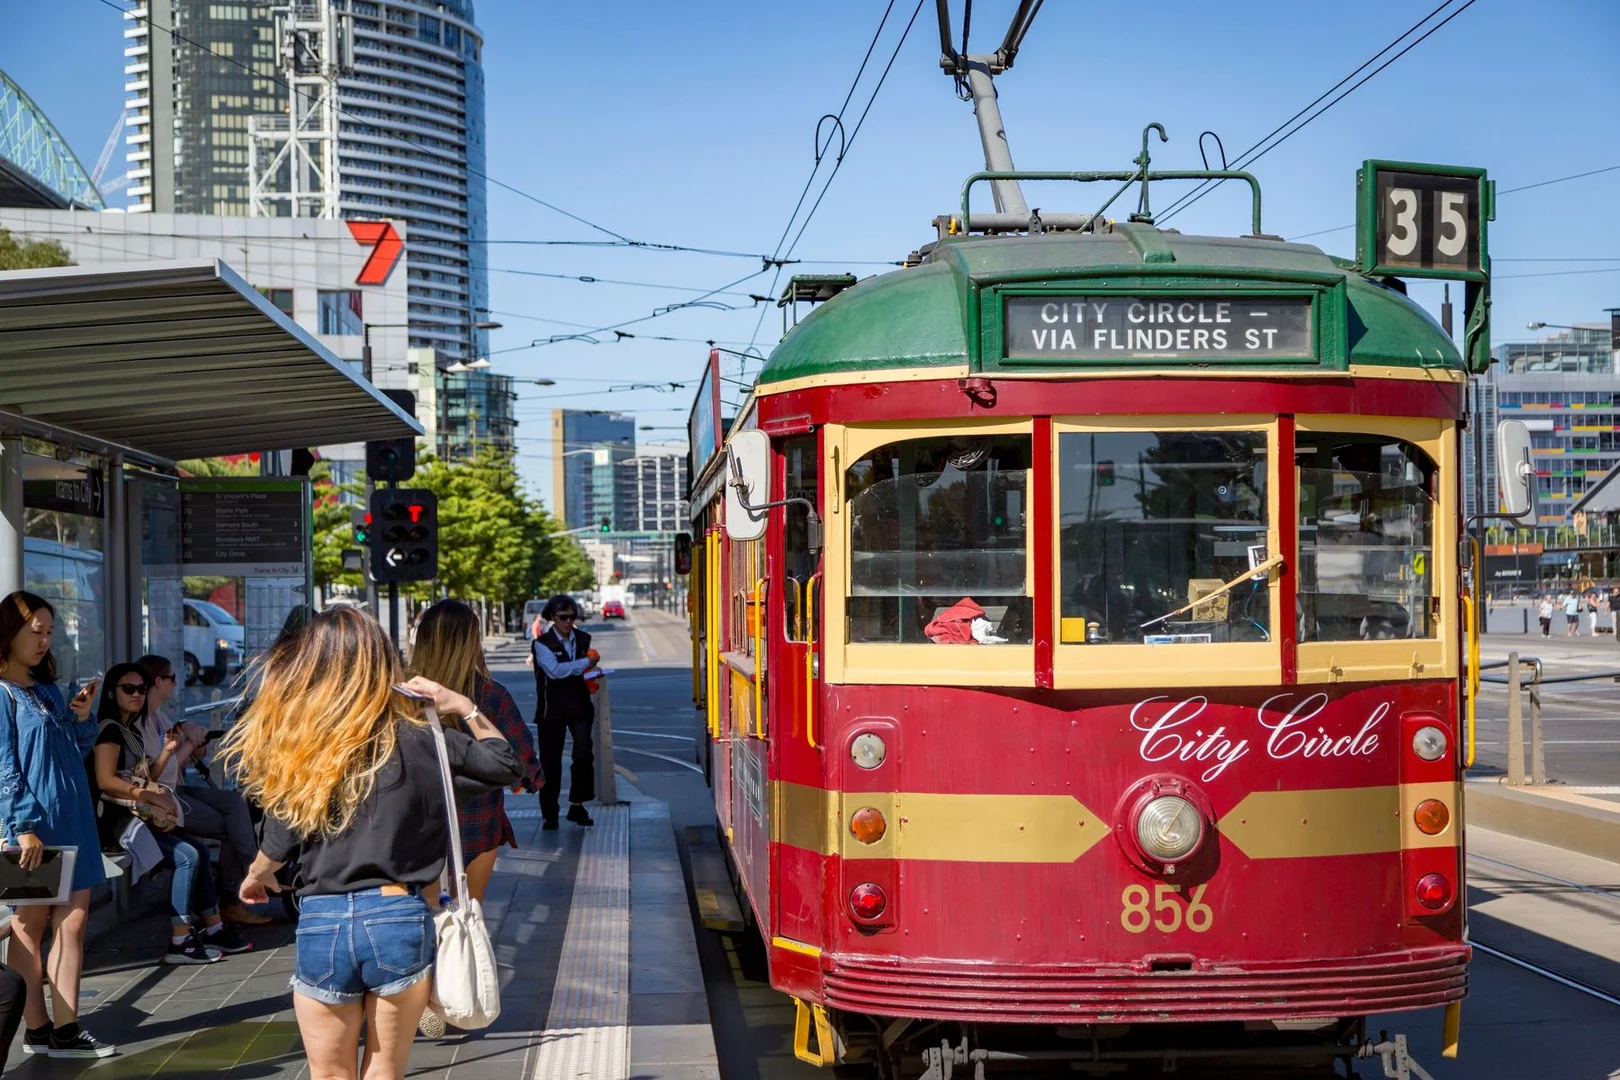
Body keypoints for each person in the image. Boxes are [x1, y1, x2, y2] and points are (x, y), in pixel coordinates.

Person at [224, 607, 521, 1080]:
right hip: (399, 917)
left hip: (322, 919)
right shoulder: (424, 738)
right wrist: (461, 704)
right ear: (385, 662)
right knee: (384, 1068)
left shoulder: (305, 744)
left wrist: (257, 876)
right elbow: (505, 763)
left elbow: (281, 831)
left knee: (328, 1072)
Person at [0, 591, 115, 1058]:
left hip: (74, 817)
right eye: (35, 631)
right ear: (10, 633)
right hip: (34, 823)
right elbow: (3, 765)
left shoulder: (46, 689)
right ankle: (36, 1027)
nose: (45, 640)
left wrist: (81, 717)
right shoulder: (3, 693)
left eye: (50, 631)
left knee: (73, 922)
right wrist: (22, 823)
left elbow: (74, 749)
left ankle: (65, 1030)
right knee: (29, 926)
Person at [91, 663, 251, 963]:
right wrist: (151, 795)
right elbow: (105, 780)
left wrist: (167, 751)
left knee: (199, 852)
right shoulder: (110, 730)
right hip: (119, 822)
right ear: (113, 693)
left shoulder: (131, 728)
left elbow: (145, 774)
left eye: (141, 689)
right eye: (129, 689)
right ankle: (180, 938)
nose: (137, 694)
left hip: (140, 814)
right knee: (186, 856)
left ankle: (214, 926)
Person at [409, 600, 542, 901]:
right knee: (468, 918)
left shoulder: (404, 694)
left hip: (417, 827)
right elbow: (525, 771)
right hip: (477, 825)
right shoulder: (491, 695)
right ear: (472, 642)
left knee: (428, 918)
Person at [135, 654, 269, 927]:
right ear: (159, 681)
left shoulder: (159, 716)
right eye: (172, 678)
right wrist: (185, 745)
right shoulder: (141, 724)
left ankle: (251, 874)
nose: (176, 684)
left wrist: (189, 733)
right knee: (233, 826)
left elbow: (182, 746)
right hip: (165, 799)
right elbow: (160, 771)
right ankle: (246, 883)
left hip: (177, 790)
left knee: (235, 801)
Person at [532, 594, 604, 830]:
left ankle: (577, 805)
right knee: (551, 763)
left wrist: (594, 674)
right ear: (552, 617)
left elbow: (577, 672)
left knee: (584, 755)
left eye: (572, 617)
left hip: (580, 706)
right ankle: (550, 813)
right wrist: (586, 664)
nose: (568, 621)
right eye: (563, 617)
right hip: (551, 710)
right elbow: (555, 671)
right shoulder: (541, 644)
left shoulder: (583, 638)